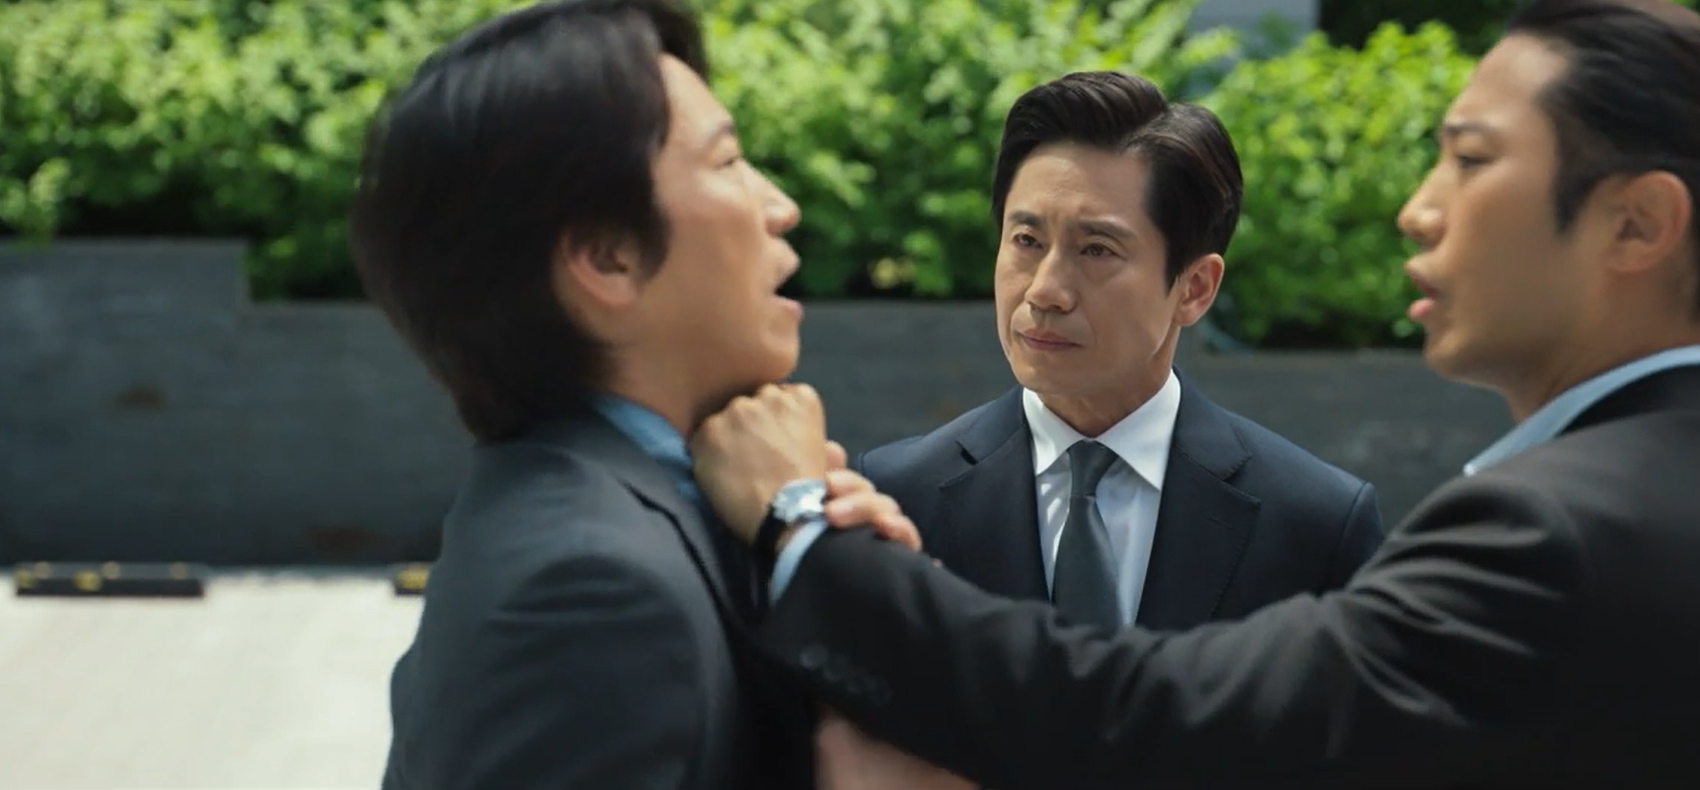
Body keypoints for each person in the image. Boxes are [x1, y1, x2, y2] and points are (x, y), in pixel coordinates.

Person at [689, 0, 1700, 786]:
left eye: (1470, 160)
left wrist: (803, 527)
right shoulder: (895, 484)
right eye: (1024, 239)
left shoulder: (1539, 535)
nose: (1415, 209)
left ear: (1637, 224)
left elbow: (1152, 714)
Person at [348, 1, 866, 786]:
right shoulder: (590, 588)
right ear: (608, 257)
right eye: (728, 162)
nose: (779, 207)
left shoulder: (620, 512)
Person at [853, 71, 1384, 633]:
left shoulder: (1314, 525)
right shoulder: (894, 497)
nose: (1044, 291)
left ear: (1194, 288)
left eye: (1096, 250)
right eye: (1027, 241)